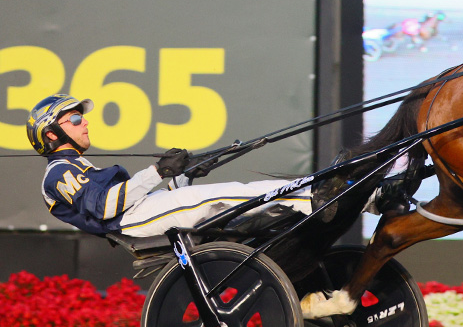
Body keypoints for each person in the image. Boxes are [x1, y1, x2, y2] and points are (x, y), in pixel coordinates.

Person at [28, 94, 310, 238]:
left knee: (214, 193)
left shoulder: (77, 165)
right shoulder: (58, 172)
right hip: (130, 222)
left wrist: (186, 174)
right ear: (51, 134)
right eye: (75, 119)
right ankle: (307, 196)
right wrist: (158, 171)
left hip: (142, 212)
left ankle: (305, 195)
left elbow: (156, 197)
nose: (85, 121)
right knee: (216, 196)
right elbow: (103, 207)